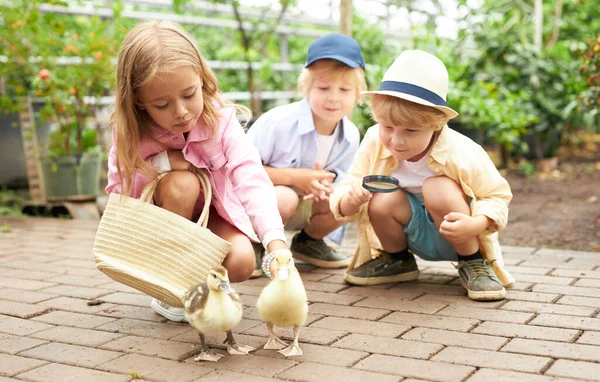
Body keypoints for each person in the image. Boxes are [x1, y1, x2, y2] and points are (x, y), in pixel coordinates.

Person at [106, 20, 287, 321]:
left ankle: (200, 284)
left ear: (202, 78)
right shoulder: (130, 131)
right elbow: (119, 189)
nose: (181, 111)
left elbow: (250, 177)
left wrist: (274, 240)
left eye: (189, 95)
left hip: (210, 214)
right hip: (160, 224)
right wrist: (164, 163)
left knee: (242, 261)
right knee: (183, 185)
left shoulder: (221, 121)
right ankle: (172, 285)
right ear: (138, 101)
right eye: (162, 104)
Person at [329, 50, 515, 301]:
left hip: (460, 232)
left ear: (436, 124)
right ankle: (398, 260)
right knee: (381, 196)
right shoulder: (374, 139)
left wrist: (477, 224)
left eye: (411, 130)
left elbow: (497, 194)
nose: (396, 140)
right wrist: (348, 200)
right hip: (409, 231)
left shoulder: (461, 150)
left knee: (437, 188)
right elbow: (352, 181)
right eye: (387, 127)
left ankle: (473, 263)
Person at [246, 33, 367, 277]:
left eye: (344, 89)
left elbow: (341, 180)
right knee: (285, 198)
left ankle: (309, 242)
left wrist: (328, 184)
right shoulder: (277, 123)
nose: (334, 97)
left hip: (309, 206)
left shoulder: (351, 135)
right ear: (306, 87)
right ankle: (256, 243)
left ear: (358, 94)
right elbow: (242, 172)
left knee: (350, 198)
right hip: (266, 205)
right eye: (323, 88)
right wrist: (295, 177)